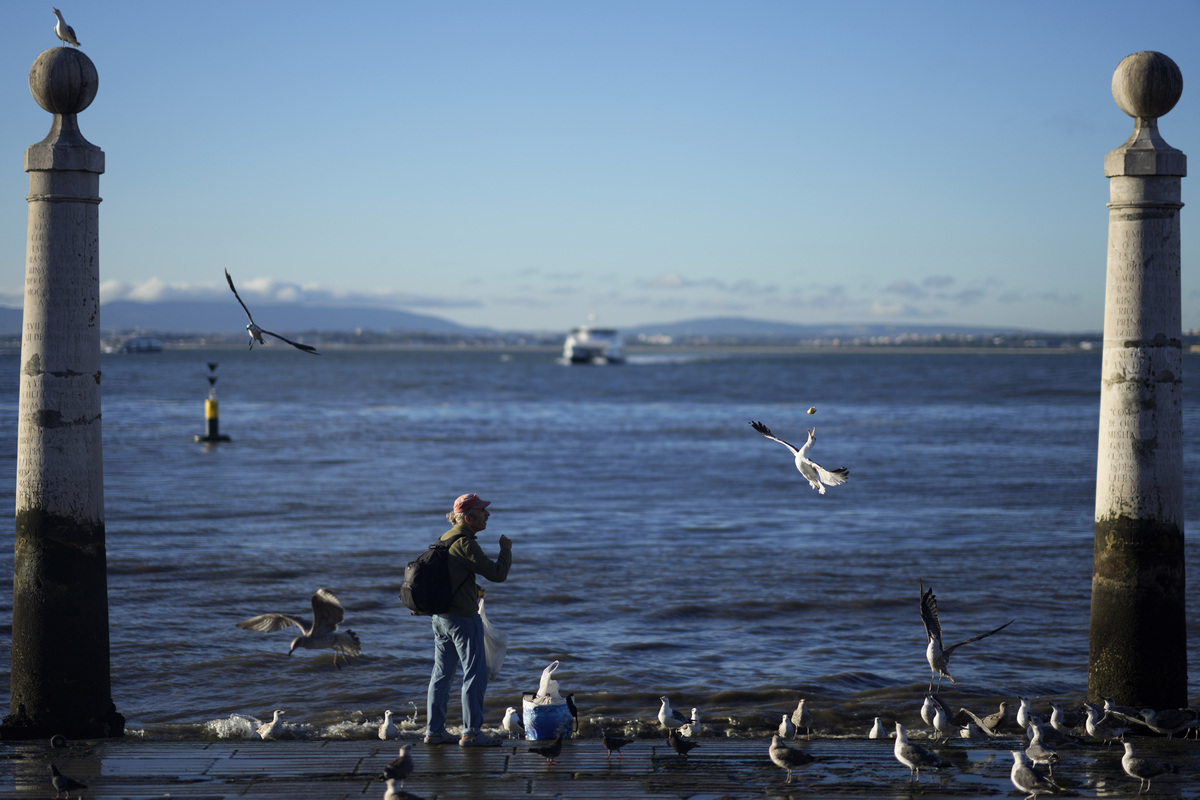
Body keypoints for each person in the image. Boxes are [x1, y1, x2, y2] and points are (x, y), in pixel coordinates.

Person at [424, 493, 513, 747]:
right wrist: (505, 551)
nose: (488, 515)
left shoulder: (444, 538)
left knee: (441, 675)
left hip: (441, 618)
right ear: (468, 517)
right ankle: (472, 733)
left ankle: (434, 731)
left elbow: (450, 577)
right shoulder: (465, 543)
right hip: (462, 619)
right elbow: (497, 574)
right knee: (475, 674)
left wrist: (471, 591)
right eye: (483, 512)